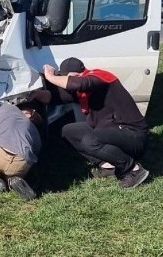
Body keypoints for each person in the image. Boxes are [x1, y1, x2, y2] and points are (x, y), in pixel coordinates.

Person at [42, 57, 150, 189]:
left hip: (133, 135)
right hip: (109, 132)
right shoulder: (82, 89)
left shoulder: (100, 77)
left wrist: (50, 77)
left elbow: (79, 84)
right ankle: (108, 165)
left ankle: (133, 169)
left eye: (67, 78)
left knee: (91, 141)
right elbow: (56, 97)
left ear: (76, 75)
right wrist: (35, 95)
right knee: (67, 132)